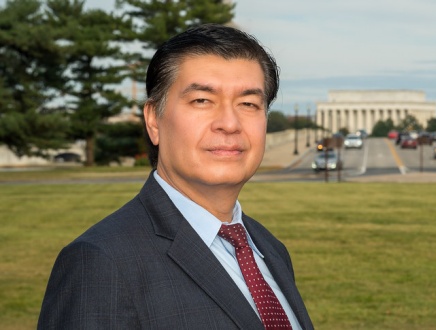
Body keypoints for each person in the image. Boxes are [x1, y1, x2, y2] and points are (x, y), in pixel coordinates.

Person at [38, 24, 314, 330]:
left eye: (248, 103)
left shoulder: (268, 248)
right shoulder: (101, 263)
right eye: (202, 100)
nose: (229, 123)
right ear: (154, 120)